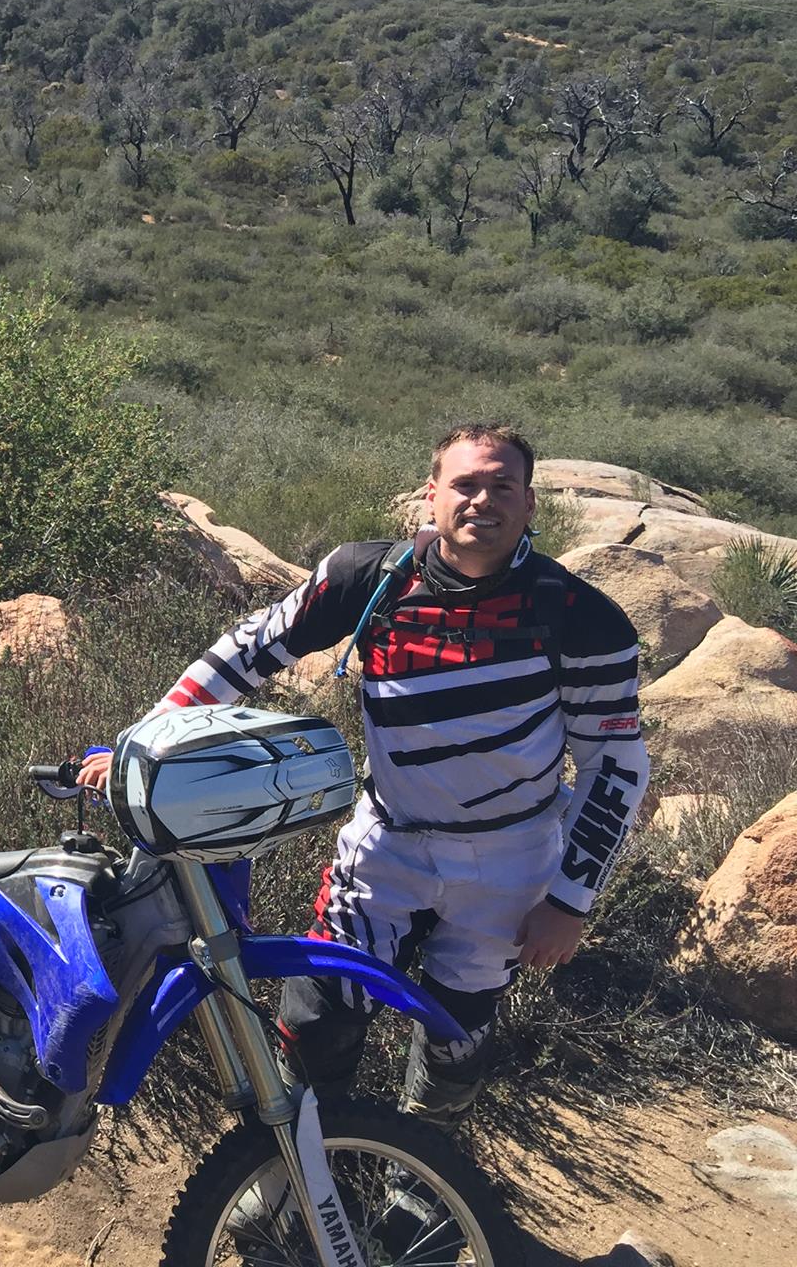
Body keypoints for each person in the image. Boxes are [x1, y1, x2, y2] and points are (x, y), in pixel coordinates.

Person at [83, 424, 650, 1128]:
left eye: (502, 486)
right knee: (316, 1018)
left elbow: (616, 762)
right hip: (386, 844)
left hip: (510, 861)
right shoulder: (368, 579)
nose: (483, 500)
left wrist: (570, 900)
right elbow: (247, 651)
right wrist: (144, 744)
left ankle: (421, 1184)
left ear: (529, 505)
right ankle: (299, 1183)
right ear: (432, 495)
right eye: (465, 484)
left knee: (457, 1043)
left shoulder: (579, 617)